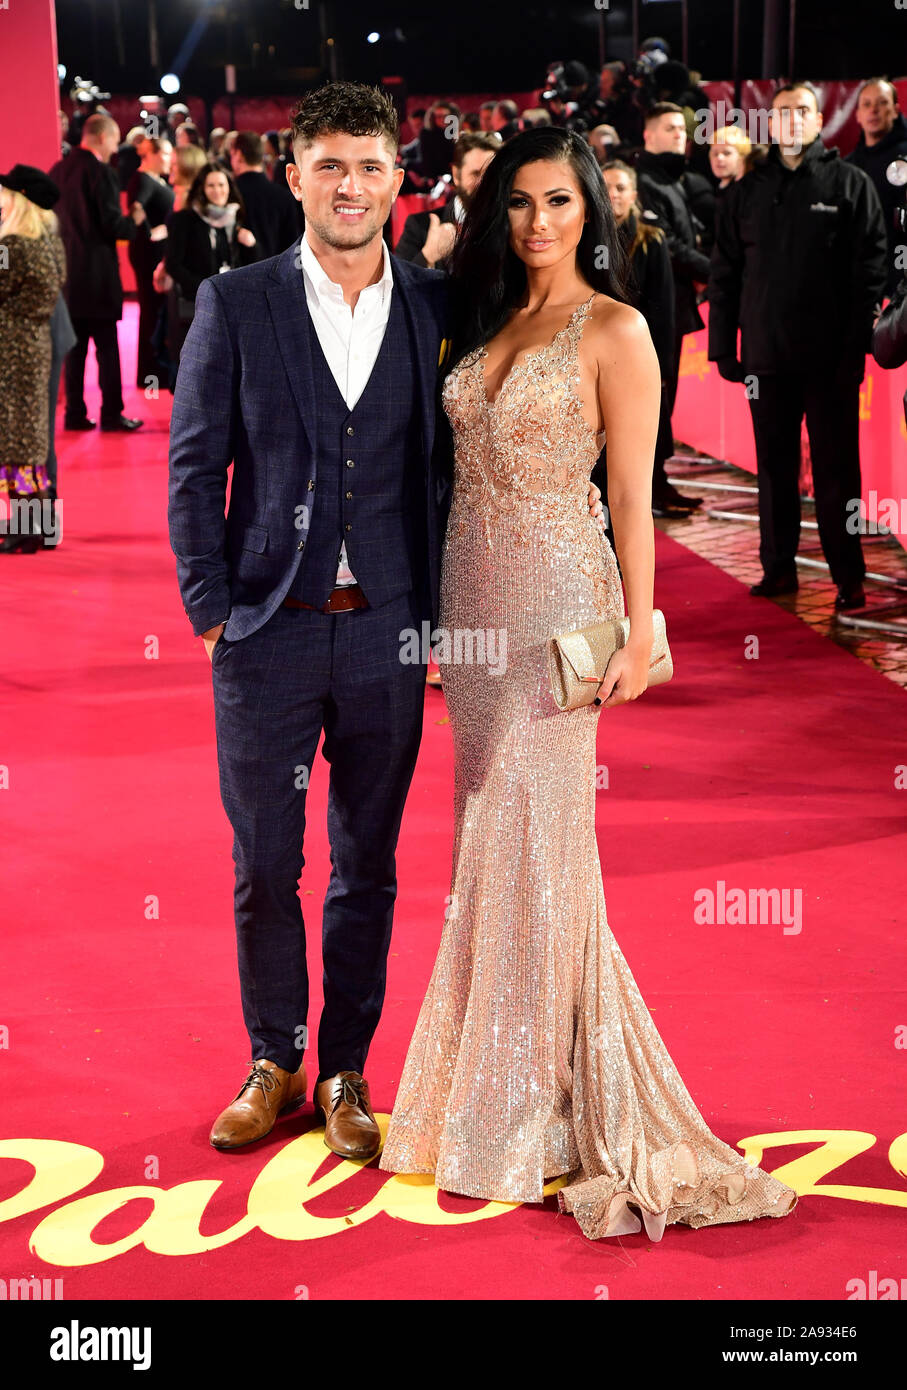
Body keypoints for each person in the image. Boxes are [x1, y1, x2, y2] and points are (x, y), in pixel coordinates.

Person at [166, 83, 606, 1161]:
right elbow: (193, 466)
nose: (350, 185)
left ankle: (350, 1071)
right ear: (294, 176)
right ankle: (276, 1059)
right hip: (266, 631)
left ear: (395, 180)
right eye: (329, 165)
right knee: (266, 860)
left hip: (392, 635)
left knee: (368, 861)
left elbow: (471, 459)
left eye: (368, 165)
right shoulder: (240, 301)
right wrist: (214, 613)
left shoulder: (434, 305)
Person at [378, 126, 799, 1243]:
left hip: (562, 609)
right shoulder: (484, 319)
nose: (536, 223)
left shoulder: (615, 330)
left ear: (590, 210)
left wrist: (635, 630)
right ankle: (498, 1084)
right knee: (487, 830)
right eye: (516, 203)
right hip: (472, 608)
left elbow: (631, 497)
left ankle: (532, 1105)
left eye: (557, 202)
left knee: (531, 826)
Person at [709, 82, 889, 610]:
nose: (791, 120)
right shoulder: (744, 191)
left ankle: (848, 577)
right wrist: (724, 345)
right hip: (765, 357)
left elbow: (871, 271)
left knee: (837, 469)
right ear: (771, 122)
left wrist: (855, 345)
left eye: (802, 112)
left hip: (831, 359)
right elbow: (725, 274)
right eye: (782, 111)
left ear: (818, 121)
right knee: (774, 468)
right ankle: (778, 569)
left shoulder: (849, 183)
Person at [635, 102, 716, 505]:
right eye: (669, 128)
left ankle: (657, 480)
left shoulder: (674, 180)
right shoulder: (644, 179)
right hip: (652, 311)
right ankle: (649, 484)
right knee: (654, 399)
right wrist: (718, 270)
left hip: (675, 306)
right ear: (649, 135)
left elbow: (689, 236)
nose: (679, 135)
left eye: (681, 129)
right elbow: (670, 245)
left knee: (667, 398)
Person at [596, 160, 676, 546]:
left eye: (622, 187)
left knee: (635, 463)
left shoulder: (652, 240)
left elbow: (663, 307)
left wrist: (661, 368)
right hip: (596, 361)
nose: (614, 195)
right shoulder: (587, 238)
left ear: (634, 194)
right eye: (607, 187)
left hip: (641, 360)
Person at [49, 112, 145, 433]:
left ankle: (74, 413)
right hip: (98, 277)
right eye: (115, 141)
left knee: (74, 350)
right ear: (102, 137)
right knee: (107, 349)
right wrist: (135, 220)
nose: (115, 149)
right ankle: (111, 414)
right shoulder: (100, 173)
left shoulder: (58, 171)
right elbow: (112, 225)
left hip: (67, 277)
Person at [0, 166, 66, 554]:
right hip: (34, 347)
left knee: (17, 444)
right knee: (28, 441)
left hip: (12, 354)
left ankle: (26, 527)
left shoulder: (12, 246)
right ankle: (37, 522)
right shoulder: (47, 241)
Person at [163, 162, 260, 370]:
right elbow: (173, 264)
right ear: (202, 189)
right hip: (197, 304)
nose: (217, 191)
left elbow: (255, 265)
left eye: (221, 185)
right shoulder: (185, 219)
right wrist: (205, 290)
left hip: (234, 305)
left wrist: (251, 245)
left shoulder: (238, 218)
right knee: (198, 368)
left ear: (229, 188)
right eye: (211, 186)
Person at [394, 132, 497, 267]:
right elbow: (399, 285)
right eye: (475, 174)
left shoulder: (509, 224)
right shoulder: (419, 227)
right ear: (456, 174)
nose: (484, 183)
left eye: (491, 174)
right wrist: (428, 255)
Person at [846, 78, 907, 295]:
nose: (874, 110)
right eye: (867, 104)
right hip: (862, 285)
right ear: (858, 115)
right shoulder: (847, 168)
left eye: (881, 103)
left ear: (895, 110)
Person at [126, 137, 174, 388]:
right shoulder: (143, 179)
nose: (169, 159)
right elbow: (135, 207)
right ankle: (150, 374)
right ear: (152, 154)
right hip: (149, 256)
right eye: (165, 154)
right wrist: (153, 232)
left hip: (153, 254)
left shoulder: (153, 179)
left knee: (155, 311)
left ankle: (154, 370)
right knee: (151, 312)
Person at [229, 130, 301, 257]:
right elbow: (293, 247)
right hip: (278, 273)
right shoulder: (284, 196)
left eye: (231, 155)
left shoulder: (229, 195)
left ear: (238, 155)